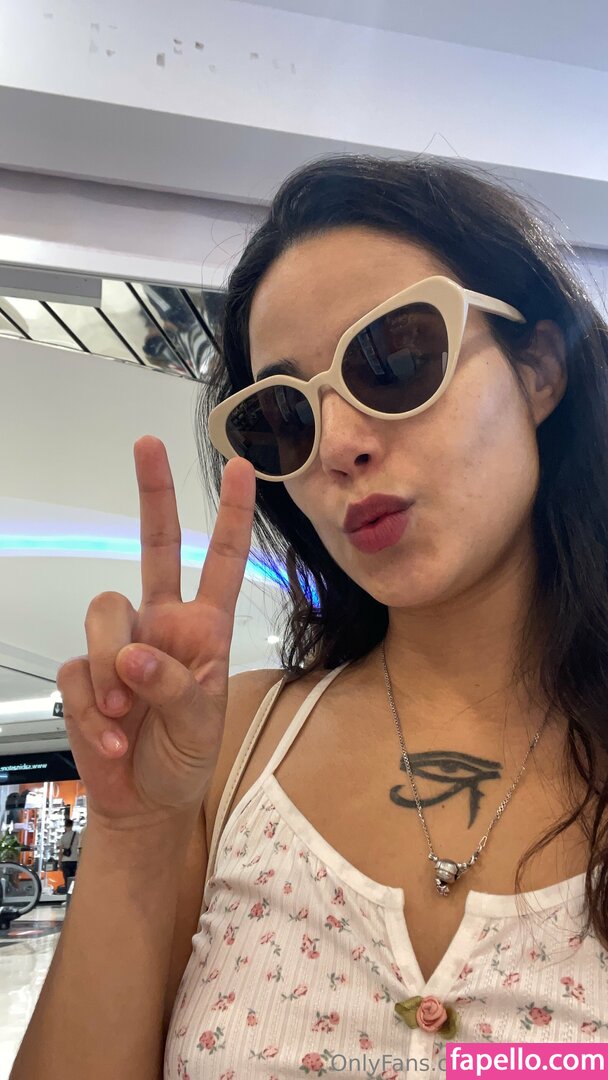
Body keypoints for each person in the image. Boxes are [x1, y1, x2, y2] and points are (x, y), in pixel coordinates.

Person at [10, 155, 608, 1080]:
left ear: (538, 368)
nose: (338, 445)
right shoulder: (231, 753)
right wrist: (134, 836)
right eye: (286, 417)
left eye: (395, 360)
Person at [57, 817, 80, 901]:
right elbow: (80, 847)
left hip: (65, 861)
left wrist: (59, 863)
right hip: (75, 860)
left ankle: (69, 898)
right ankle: (75, 898)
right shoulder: (77, 835)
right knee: (74, 880)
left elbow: (60, 852)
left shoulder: (63, 837)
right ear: (72, 825)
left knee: (67, 881)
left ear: (65, 826)